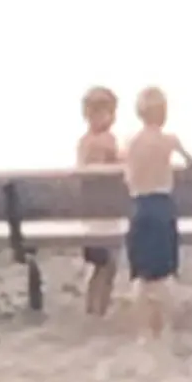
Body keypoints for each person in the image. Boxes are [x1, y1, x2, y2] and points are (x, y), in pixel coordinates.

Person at [121, 85, 192, 340]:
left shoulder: (130, 143)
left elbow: (127, 175)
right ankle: (165, 325)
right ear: (163, 113)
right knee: (165, 273)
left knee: (141, 273)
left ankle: (144, 327)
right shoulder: (169, 141)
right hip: (162, 207)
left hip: (139, 207)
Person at [75, 86, 121, 318]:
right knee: (107, 266)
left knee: (98, 265)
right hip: (104, 212)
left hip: (88, 212)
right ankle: (98, 309)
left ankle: (92, 307)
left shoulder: (83, 143)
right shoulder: (107, 142)